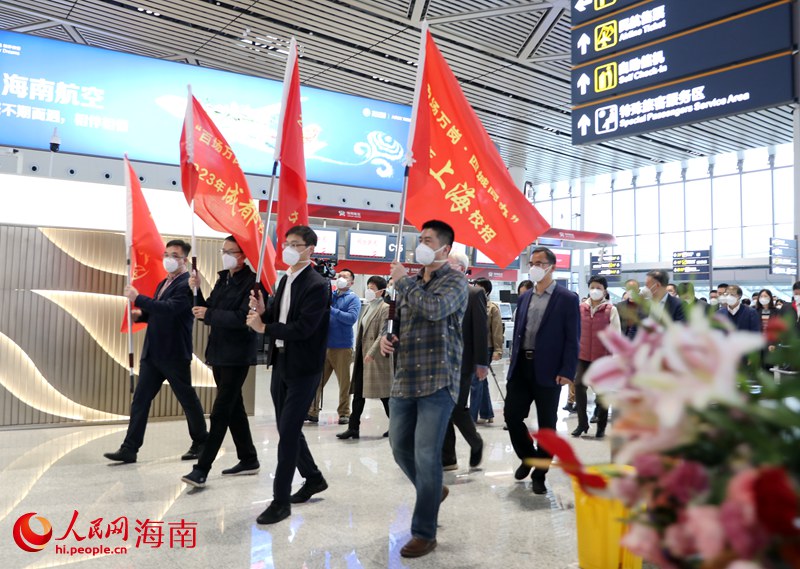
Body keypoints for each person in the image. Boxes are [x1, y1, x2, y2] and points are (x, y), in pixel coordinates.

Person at [379, 220, 468, 558]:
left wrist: (402, 282)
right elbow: (402, 320)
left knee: (427, 454)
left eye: (428, 240)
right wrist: (390, 337)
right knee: (399, 445)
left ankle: (424, 532)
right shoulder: (412, 282)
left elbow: (434, 310)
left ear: (444, 249)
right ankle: (432, 490)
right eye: (420, 239)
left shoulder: (456, 281)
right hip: (406, 377)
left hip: (438, 379)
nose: (421, 244)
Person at [245, 225, 332, 524]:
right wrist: (262, 312)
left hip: (304, 368)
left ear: (310, 248)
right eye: (286, 243)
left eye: (296, 244)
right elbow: (280, 317)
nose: (289, 248)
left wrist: (264, 328)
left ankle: (280, 502)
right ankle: (314, 477)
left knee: (289, 433)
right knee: (287, 428)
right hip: (280, 362)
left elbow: (303, 329)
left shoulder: (318, 284)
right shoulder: (286, 279)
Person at [104, 239, 208, 464]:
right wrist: (140, 315)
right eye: (166, 254)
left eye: (174, 255)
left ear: (185, 260)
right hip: (153, 353)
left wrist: (138, 298)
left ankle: (201, 441)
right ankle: (129, 448)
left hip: (174, 352)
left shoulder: (187, 285)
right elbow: (157, 313)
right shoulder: (164, 283)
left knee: (186, 398)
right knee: (140, 399)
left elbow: (171, 309)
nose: (169, 259)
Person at [181, 236, 259, 488]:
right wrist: (197, 289)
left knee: (221, 410)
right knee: (234, 407)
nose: (224, 255)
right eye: (222, 251)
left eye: (230, 251)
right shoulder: (223, 278)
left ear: (243, 255)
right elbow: (205, 310)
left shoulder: (253, 283)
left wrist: (210, 313)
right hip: (217, 352)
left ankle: (201, 467)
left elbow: (242, 318)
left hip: (237, 355)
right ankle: (248, 458)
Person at [505, 246, 580, 495]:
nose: (534, 267)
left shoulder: (567, 298)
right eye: (532, 262)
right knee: (512, 416)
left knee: (547, 425)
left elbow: (573, 338)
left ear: (551, 267)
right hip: (521, 367)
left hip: (549, 369)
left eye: (539, 262)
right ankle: (529, 457)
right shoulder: (525, 296)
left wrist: (567, 370)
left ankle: (540, 472)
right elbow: (519, 334)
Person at [442, 251, 487, 471]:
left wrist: (481, 362)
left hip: (463, 362)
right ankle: (448, 457)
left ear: (461, 268)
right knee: (443, 407)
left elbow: (480, 331)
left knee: (457, 407)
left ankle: (475, 441)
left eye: (449, 265)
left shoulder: (474, 293)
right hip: (440, 361)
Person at [336, 275, 392, 439]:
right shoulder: (368, 307)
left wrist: (371, 352)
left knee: (384, 396)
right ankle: (353, 428)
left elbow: (383, 333)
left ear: (381, 291)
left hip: (376, 359)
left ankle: (397, 426)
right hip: (362, 355)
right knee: (358, 394)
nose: (369, 291)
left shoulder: (385, 308)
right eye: (368, 287)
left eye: (372, 288)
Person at [307, 268, 360, 425]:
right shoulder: (330, 295)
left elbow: (351, 319)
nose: (341, 278)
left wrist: (333, 310)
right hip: (324, 346)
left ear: (351, 282)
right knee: (317, 381)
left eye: (345, 277)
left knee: (344, 383)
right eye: (339, 276)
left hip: (342, 347)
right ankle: (312, 411)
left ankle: (344, 413)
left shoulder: (353, 299)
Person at [572, 276, 620, 439]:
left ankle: (601, 426)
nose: (595, 290)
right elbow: (575, 331)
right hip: (583, 355)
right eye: (592, 287)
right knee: (578, 385)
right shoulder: (581, 308)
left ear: (605, 290)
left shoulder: (610, 310)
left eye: (598, 287)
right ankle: (582, 423)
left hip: (603, 358)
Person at [469, 277, 502, 424]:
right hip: (472, 348)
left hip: (486, 348)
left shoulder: (492, 308)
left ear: (487, 291)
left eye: (479, 287)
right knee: (482, 382)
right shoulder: (471, 304)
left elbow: (496, 330)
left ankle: (471, 416)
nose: (476, 289)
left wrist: (498, 350)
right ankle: (487, 412)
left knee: (476, 381)